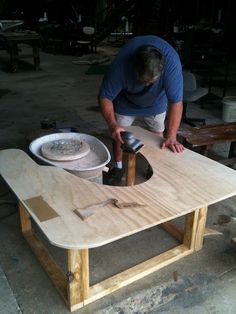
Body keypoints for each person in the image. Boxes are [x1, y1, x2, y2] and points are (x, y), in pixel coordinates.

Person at [98, 35, 184, 185]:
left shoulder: (172, 65)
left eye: (149, 82)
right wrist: (112, 124)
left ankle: (154, 168)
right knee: (119, 135)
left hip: (156, 102)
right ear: (134, 67)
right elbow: (105, 96)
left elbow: (176, 102)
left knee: (159, 138)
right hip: (125, 101)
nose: (145, 85)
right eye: (142, 80)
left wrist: (171, 135)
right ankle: (118, 168)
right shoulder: (121, 65)